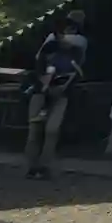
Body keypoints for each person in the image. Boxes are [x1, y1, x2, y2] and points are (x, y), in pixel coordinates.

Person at [21, 16, 87, 179]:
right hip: (40, 92)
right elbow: (39, 69)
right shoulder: (48, 48)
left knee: (52, 130)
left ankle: (45, 166)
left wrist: (63, 86)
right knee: (35, 131)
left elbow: (76, 72)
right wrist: (46, 84)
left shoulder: (76, 51)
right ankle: (31, 166)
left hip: (61, 94)